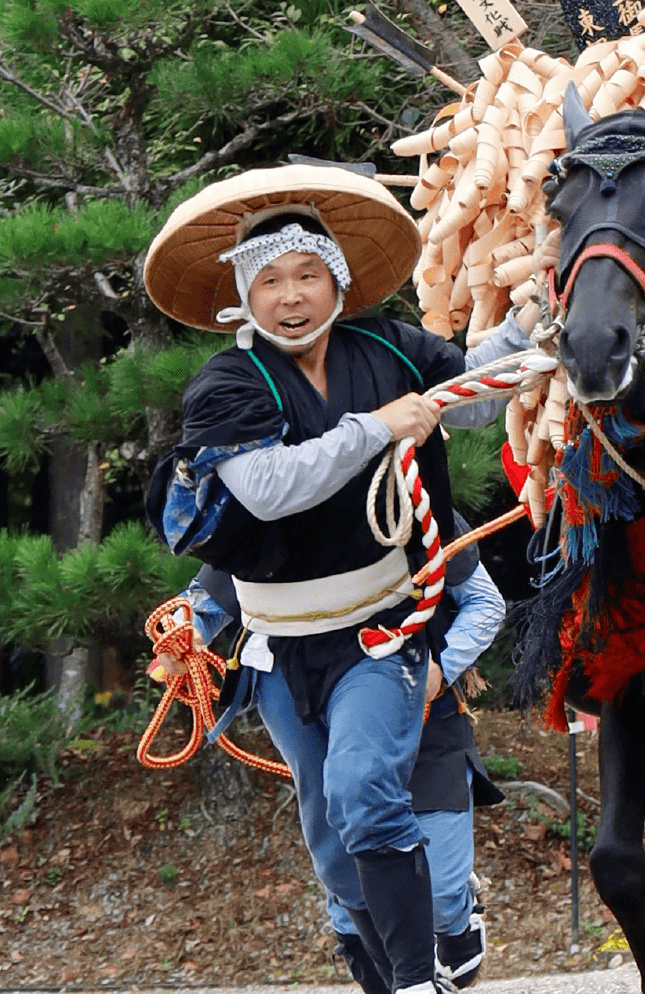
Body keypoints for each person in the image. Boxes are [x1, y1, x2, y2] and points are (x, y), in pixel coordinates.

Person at [143, 165, 528, 994]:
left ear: (337, 281)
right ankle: (387, 976)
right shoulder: (226, 385)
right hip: (278, 648)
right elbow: (268, 487)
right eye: (269, 280)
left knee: (362, 792)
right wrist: (375, 428)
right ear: (243, 294)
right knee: (327, 835)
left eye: (307, 275)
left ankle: (420, 973)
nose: (291, 296)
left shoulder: (392, 347)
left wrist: (543, 322)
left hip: (381, 630)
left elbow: (469, 394)